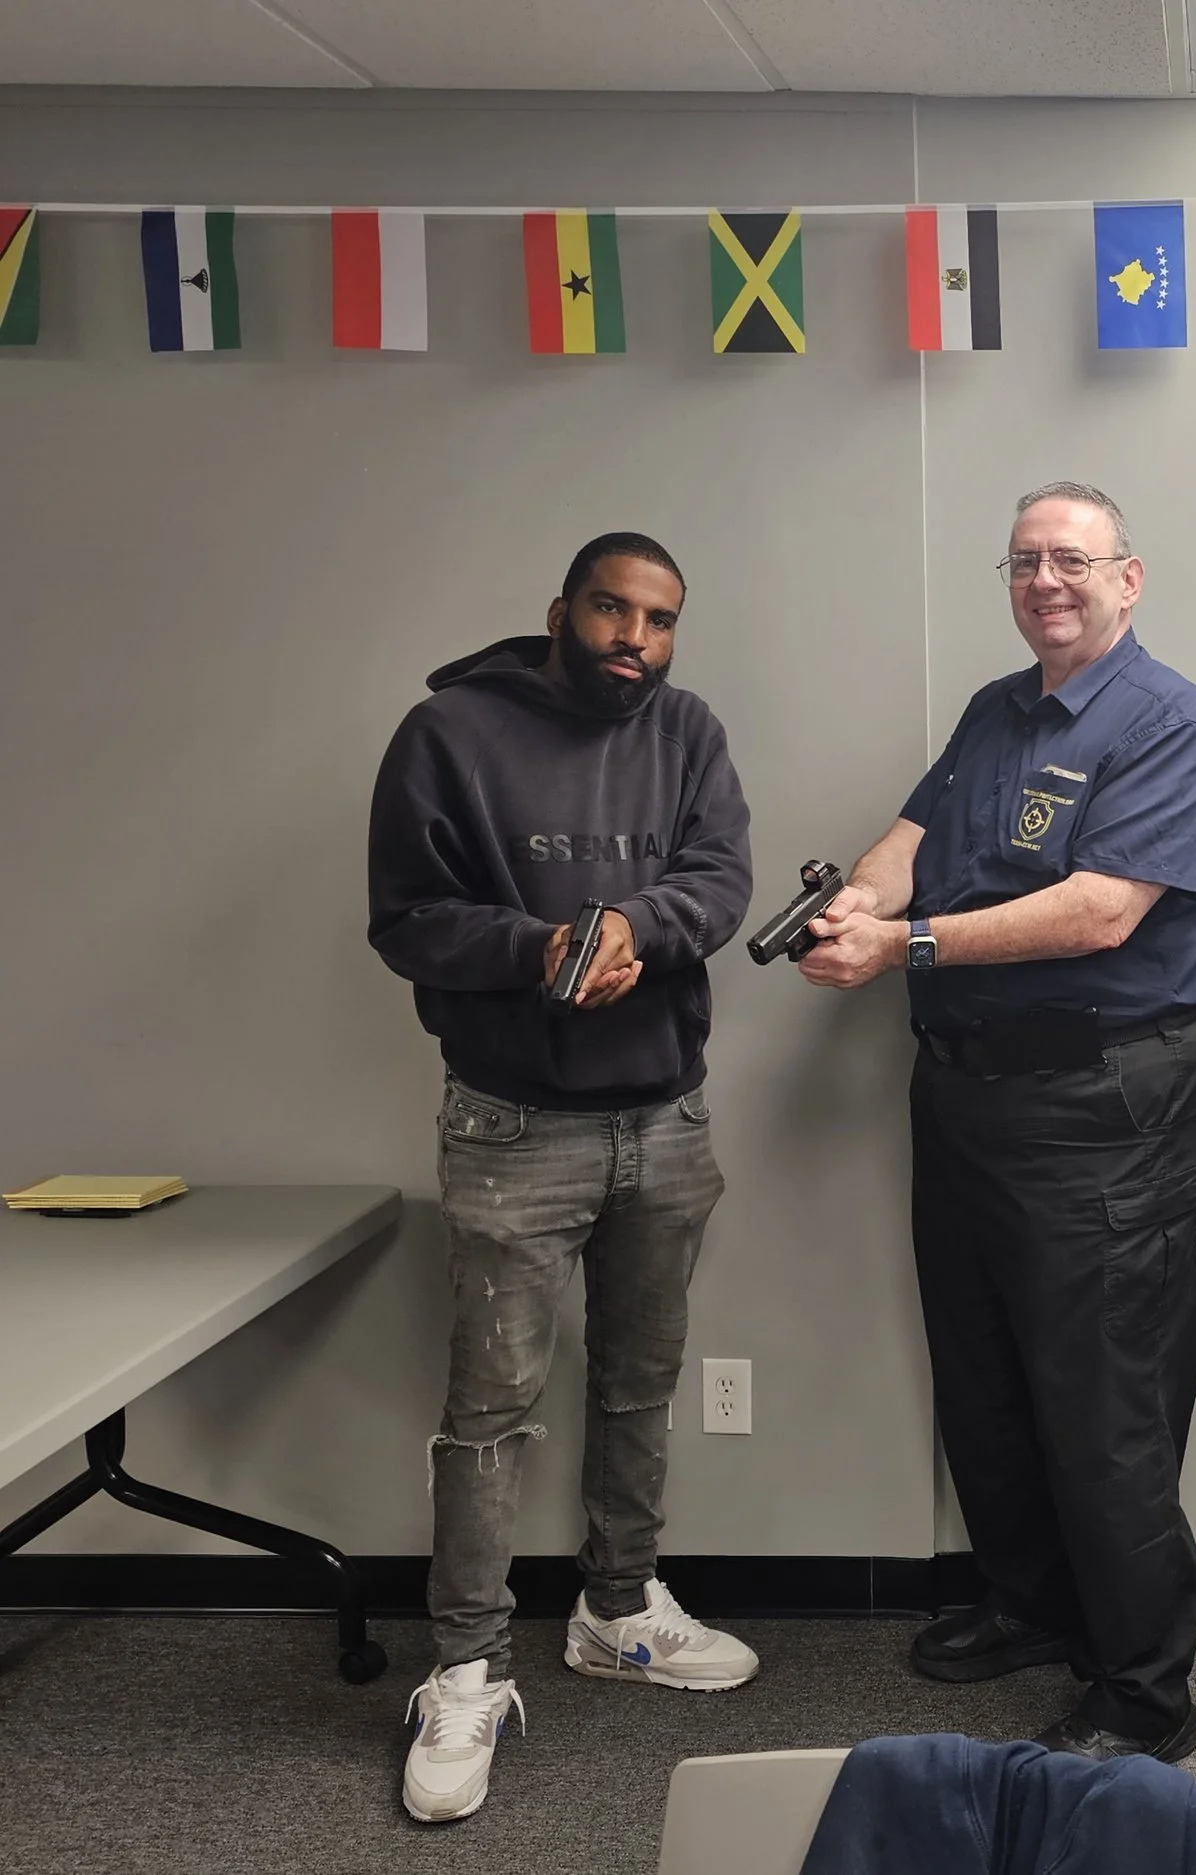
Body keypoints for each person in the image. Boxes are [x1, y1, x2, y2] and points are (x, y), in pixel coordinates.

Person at [798, 482, 1196, 1765]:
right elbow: (907, 840)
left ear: (1129, 578)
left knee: (1105, 1404)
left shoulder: (1165, 720)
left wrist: (904, 944)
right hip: (969, 1093)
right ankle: (1034, 1607)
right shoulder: (996, 711)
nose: (1047, 580)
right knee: (984, 1377)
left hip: (1107, 1101)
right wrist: (856, 908)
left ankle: (1148, 1690)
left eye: (1074, 561)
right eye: (1026, 561)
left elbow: (1104, 912)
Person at [368, 531, 759, 1825]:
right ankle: (466, 1664)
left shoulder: (687, 730)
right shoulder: (448, 733)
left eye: (656, 618)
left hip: (665, 1117)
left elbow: (720, 878)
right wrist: (544, 946)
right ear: (560, 609)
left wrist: (633, 928)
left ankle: (616, 1606)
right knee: (489, 1409)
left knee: (641, 1375)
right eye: (610, 607)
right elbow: (407, 918)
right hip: (511, 1126)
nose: (632, 638)